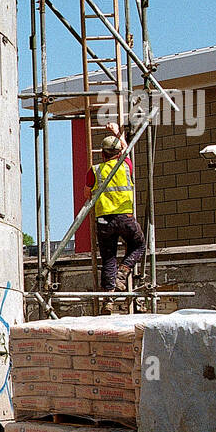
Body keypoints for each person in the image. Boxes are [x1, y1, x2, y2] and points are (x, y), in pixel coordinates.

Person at [88, 123, 145, 304]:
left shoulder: (95, 170)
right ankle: (123, 272)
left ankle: (109, 299)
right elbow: (126, 151)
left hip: (104, 219)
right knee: (139, 245)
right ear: (119, 153)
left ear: (102, 154)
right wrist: (118, 133)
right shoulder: (126, 165)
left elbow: (86, 194)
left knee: (108, 257)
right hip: (125, 217)